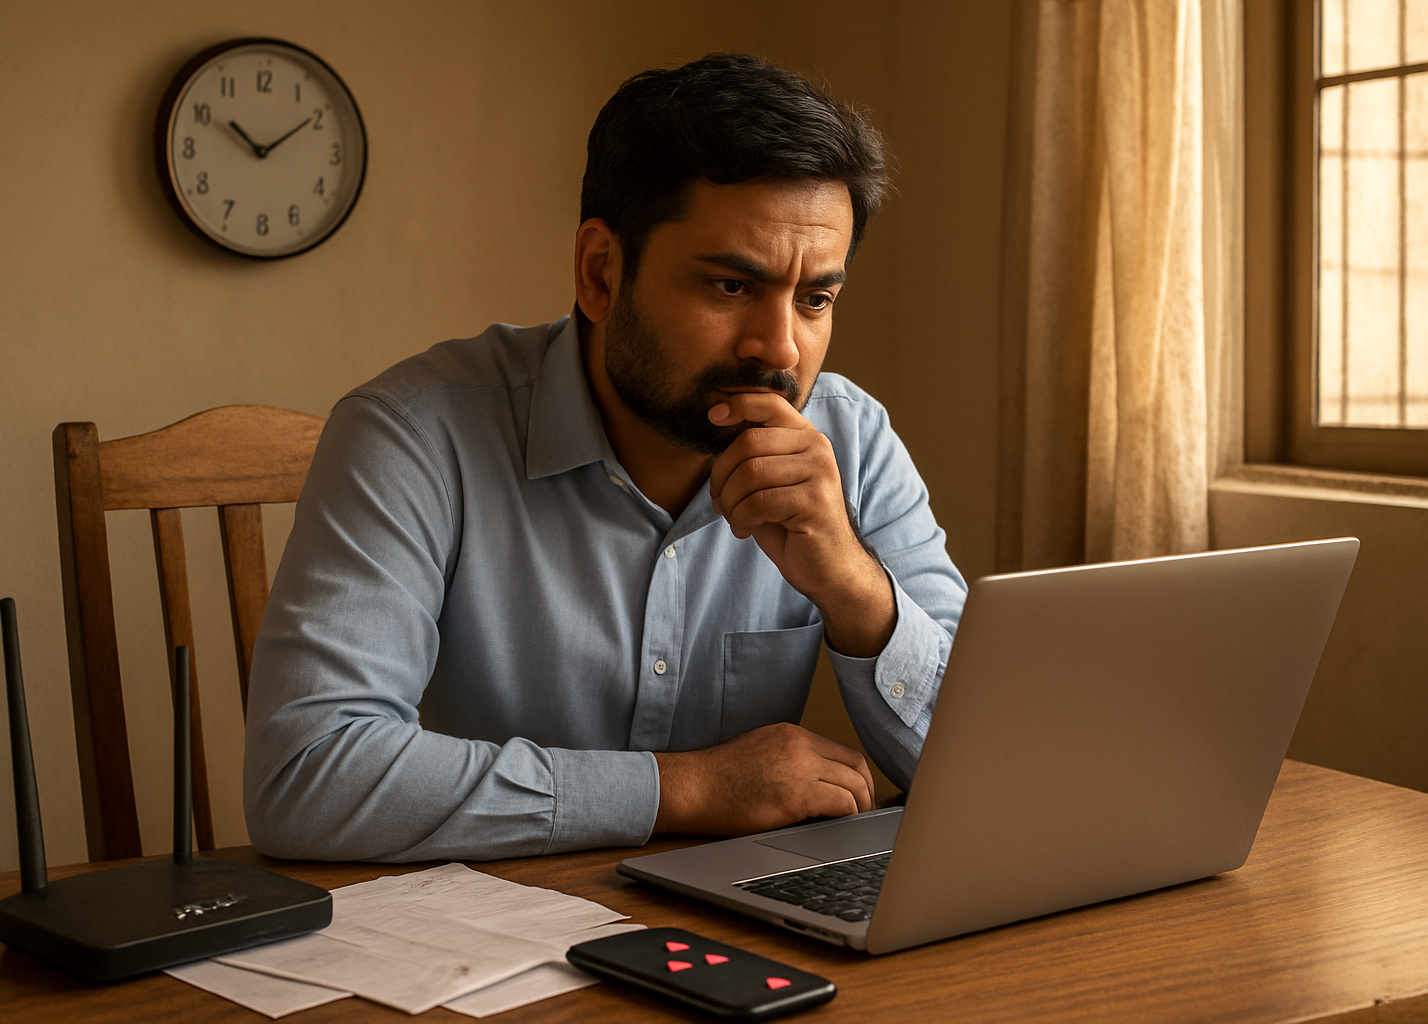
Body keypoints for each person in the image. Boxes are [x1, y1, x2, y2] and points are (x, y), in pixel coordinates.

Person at [244, 52, 967, 862]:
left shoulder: (853, 441)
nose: (782, 347)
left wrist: (856, 591)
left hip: (742, 936)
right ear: (600, 272)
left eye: (815, 299)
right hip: (480, 944)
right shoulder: (413, 435)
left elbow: (996, 772)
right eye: (730, 286)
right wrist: (687, 789)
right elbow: (306, 775)